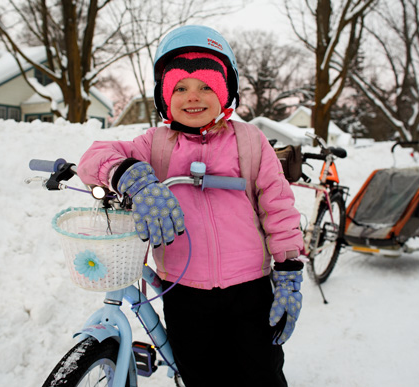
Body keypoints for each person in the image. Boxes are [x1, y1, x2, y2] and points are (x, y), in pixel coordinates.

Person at [77, 25, 304, 387]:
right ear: (164, 97)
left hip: (250, 288)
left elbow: (278, 206)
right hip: (183, 292)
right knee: (200, 375)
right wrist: (128, 173)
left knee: (261, 373)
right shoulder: (156, 145)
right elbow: (94, 157)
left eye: (206, 87)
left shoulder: (249, 141)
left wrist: (289, 270)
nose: (192, 97)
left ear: (226, 92)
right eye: (179, 87)